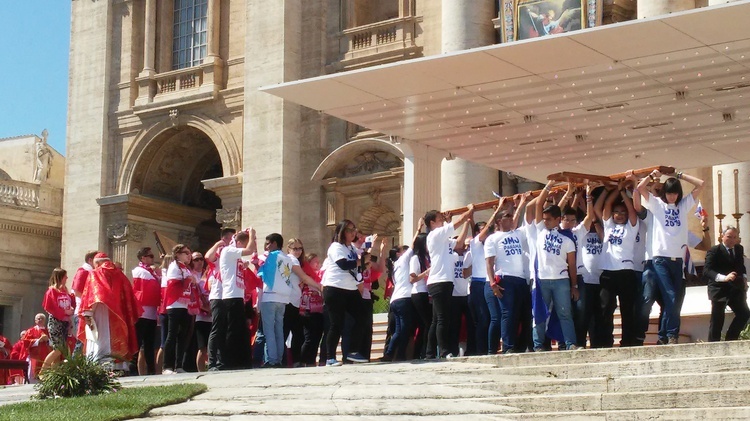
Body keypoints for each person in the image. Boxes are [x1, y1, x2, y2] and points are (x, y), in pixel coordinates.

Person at [635, 169, 704, 344]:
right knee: (670, 295)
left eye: (675, 193)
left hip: (677, 259)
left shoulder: (683, 206)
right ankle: (672, 334)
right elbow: (641, 187)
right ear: (664, 193)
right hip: (660, 258)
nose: (672, 197)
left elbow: (701, 184)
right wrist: (653, 175)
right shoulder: (658, 204)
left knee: (672, 299)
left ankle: (664, 337)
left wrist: (679, 175)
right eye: (669, 193)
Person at [423, 203, 474, 359]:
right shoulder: (435, 235)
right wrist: (469, 211)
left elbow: (459, 243)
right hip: (440, 281)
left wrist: (466, 222)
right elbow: (454, 224)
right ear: (432, 223)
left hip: (443, 281)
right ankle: (444, 351)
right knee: (443, 318)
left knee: (437, 319)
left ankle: (430, 352)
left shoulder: (443, 240)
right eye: (439, 219)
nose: (442, 220)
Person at [533, 181, 579, 351]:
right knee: (539, 314)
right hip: (542, 279)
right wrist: (549, 185)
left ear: (558, 220)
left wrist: (574, 285)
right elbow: (538, 203)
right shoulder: (540, 231)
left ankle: (570, 343)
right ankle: (538, 346)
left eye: (549, 220)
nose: (545, 222)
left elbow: (572, 265)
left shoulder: (568, 240)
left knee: (565, 314)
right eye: (544, 219)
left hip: (561, 280)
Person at [77, 253, 142, 368]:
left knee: (99, 336)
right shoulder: (120, 274)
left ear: (97, 263)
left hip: (99, 311)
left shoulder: (95, 273)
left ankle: (99, 364)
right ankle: (119, 365)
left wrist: (87, 313)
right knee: (117, 337)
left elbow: (92, 294)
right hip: (119, 313)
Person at [595, 183, 640, 347]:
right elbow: (606, 205)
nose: (620, 215)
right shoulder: (608, 226)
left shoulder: (631, 226)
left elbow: (633, 211)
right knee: (605, 308)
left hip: (626, 273)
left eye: (623, 212)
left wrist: (623, 191)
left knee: (628, 310)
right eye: (617, 212)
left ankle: (628, 341)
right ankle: (605, 341)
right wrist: (614, 189)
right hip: (608, 273)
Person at [484, 196, 529, 354]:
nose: (510, 219)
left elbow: (518, 218)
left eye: (511, 216)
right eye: (506, 216)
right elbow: (489, 263)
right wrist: (492, 283)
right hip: (505, 278)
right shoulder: (492, 239)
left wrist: (519, 205)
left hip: (521, 278)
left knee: (520, 313)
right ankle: (507, 347)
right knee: (507, 313)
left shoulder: (517, 234)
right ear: (498, 221)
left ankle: (519, 346)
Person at [321, 220, 369, 366]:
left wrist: (365, 260)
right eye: (349, 230)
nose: (353, 232)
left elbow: (357, 267)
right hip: (335, 288)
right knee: (337, 323)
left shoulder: (351, 249)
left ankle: (353, 351)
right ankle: (330, 358)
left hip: (350, 288)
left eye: (354, 229)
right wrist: (361, 262)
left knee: (362, 316)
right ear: (341, 232)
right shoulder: (336, 247)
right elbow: (343, 265)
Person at [382, 222, 422, 361]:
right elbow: (413, 245)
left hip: (395, 300)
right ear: (399, 254)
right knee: (404, 329)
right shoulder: (403, 260)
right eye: (402, 250)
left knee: (399, 330)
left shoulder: (395, 266)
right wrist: (418, 229)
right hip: (404, 299)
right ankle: (395, 354)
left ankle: (393, 353)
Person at [703, 226, 750, 342]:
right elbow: (707, 271)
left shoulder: (739, 249)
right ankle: (713, 345)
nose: (732, 240)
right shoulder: (715, 250)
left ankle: (731, 339)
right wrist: (724, 278)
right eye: (729, 237)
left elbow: (741, 266)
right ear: (722, 237)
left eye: (735, 237)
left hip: (735, 289)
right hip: (719, 289)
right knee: (717, 319)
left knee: (744, 314)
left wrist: (744, 278)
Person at [219, 229, 257, 369]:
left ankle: (242, 361)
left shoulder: (235, 256)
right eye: (244, 243)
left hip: (238, 296)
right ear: (239, 242)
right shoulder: (228, 250)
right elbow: (250, 250)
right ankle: (230, 361)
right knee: (232, 330)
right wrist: (252, 235)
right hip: (230, 295)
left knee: (241, 331)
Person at [162, 244, 196, 374]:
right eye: (185, 253)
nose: (189, 255)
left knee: (183, 336)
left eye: (189, 252)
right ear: (177, 254)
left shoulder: (185, 268)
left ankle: (179, 365)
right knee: (172, 334)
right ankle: (167, 366)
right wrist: (188, 280)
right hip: (175, 304)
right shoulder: (174, 266)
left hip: (185, 304)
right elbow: (172, 285)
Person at [132, 247, 161, 375]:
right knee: (138, 343)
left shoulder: (151, 272)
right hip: (142, 312)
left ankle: (151, 370)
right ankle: (132, 370)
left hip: (152, 313)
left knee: (150, 344)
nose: (152, 259)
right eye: (150, 256)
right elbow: (145, 289)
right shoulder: (139, 271)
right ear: (143, 258)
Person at [41, 268, 75, 369]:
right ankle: (43, 371)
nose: (67, 278)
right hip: (56, 323)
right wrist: (64, 312)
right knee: (59, 349)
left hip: (65, 323)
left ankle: (53, 373)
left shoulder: (65, 291)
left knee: (61, 350)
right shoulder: (52, 291)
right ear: (60, 277)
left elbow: (71, 302)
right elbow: (50, 307)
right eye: (65, 276)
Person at [299, 253, 324, 366]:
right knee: (309, 338)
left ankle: (311, 361)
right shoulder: (304, 277)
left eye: (319, 261)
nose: (318, 264)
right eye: (315, 262)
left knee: (317, 337)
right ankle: (303, 360)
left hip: (319, 310)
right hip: (307, 310)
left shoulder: (320, 277)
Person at [191, 251, 211, 371]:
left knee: (210, 346)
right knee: (201, 346)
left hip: (211, 313)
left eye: (201, 259)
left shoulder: (207, 274)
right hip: (198, 315)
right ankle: (200, 370)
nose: (199, 261)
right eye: (196, 259)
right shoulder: (191, 274)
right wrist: (204, 308)